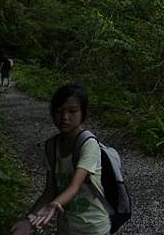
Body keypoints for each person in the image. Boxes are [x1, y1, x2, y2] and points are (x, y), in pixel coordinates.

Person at [10, 85, 111, 235]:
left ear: (83, 113)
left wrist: (54, 204)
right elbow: (50, 190)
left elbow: (74, 186)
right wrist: (29, 220)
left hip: (94, 229)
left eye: (72, 111)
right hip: (66, 228)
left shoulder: (88, 144)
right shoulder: (51, 146)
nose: (64, 117)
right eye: (59, 111)